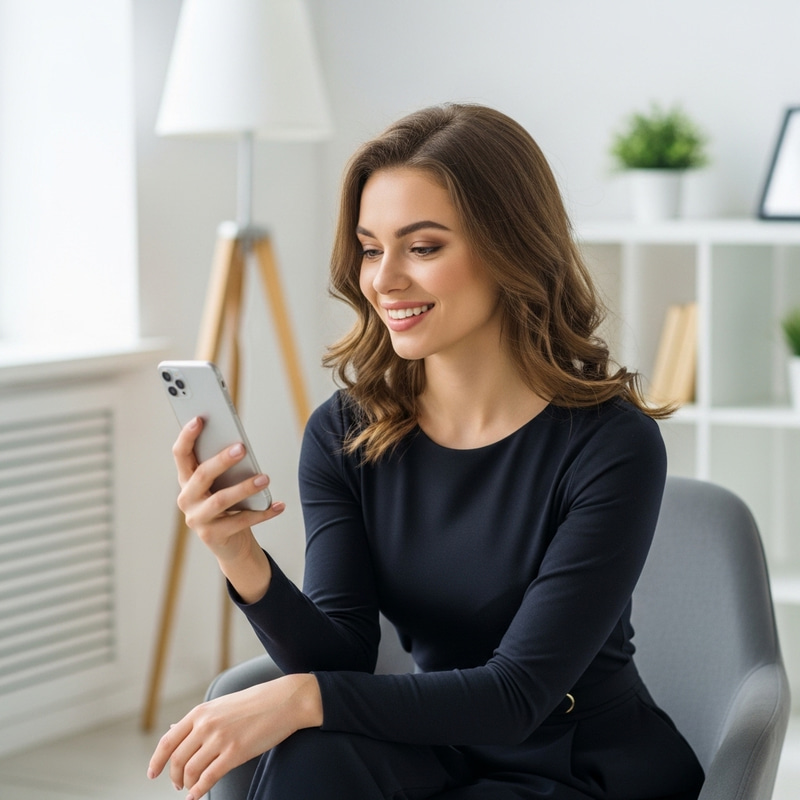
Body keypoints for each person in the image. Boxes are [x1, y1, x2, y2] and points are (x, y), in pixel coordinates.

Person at [148, 103, 705, 800]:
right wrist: (241, 558)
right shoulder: (345, 434)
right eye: (371, 247)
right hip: (437, 744)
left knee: (306, 727)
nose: (382, 280)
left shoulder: (611, 445)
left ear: (511, 249)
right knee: (306, 761)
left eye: (424, 247)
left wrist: (298, 700)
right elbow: (344, 655)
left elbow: (515, 695)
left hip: (577, 765)